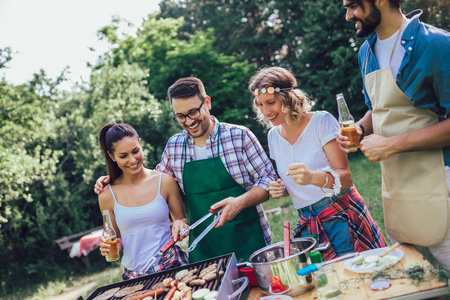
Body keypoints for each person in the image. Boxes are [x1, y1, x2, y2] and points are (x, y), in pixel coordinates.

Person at [95, 78, 277, 263]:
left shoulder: (240, 137)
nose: (189, 121)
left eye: (193, 112)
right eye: (180, 116)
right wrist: (114, 179)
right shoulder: (174, 147)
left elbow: (269, 179)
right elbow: (151, 182)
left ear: (207, 102)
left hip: (252, 243)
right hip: (206, 252)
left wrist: (240, 202)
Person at [340, 0, 450, 274]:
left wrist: (390, 145)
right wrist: (363, 129)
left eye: (353, 5)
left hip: (440, 181)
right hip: (397, 185)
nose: (348, 15)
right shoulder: (365, 51)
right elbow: (377, 108)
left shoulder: (437, 44)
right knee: (415, 279)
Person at [248, 66, 387, 260]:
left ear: (288, 99)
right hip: (308, 221)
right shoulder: (273, 136)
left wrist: (312, 177)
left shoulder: (321, 122)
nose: (265, 111)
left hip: (340, 213)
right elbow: (299, 184)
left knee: (359, 276)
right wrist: (283, 189)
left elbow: (345, 178)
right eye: (260, 104)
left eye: (270, 103)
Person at [98, 123, 189, 280]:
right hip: (135, 276)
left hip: (172, 264)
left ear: (140, 143)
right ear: (112, 157)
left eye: (135, 151)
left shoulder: (164, 181)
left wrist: (180, 224)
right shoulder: (106, 194)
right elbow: (116, 241)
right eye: (123, 156)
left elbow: (180, 219)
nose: (132, 160)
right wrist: (108, 247)